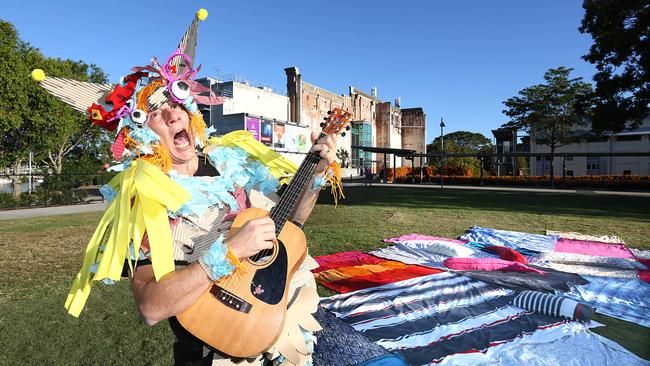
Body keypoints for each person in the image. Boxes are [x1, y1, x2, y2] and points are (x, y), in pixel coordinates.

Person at [33, 9, 342, 365]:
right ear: (139, 135)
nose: (173, 115)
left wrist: (317, 171)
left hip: (293, 330)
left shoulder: (237, 162)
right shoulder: (145, 204)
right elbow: (150, 307)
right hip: (221, 348)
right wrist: (226, 253)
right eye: (155, 112)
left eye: (176, 103)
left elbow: (293, 225)